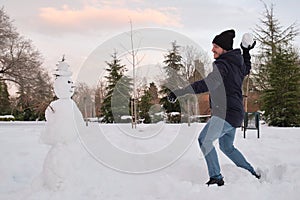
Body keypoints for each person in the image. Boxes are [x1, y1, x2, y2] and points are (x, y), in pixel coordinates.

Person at [167, 29, 260, 186]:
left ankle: (216, 178)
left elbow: (207, 83)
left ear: (223, 49)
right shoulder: (236, 65)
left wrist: (180, 92)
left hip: (225, 113)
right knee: (227, 147)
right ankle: (251, 173)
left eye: (215, 46)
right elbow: (247, 68)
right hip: (235, 113)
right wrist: (245, 51)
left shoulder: (222, 65)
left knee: (204, 140)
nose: (212, 50)